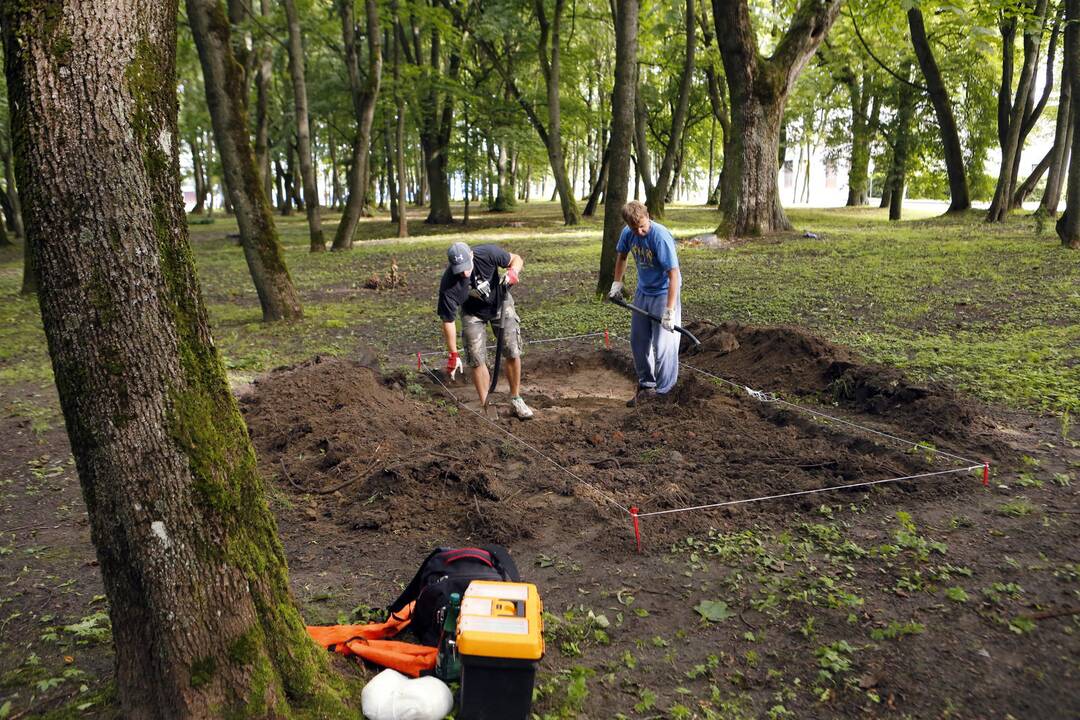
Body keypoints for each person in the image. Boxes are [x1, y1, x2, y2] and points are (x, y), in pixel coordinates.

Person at [438, 242, 534, 419]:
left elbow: (516, 259)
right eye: (459, 269)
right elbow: (448, 320)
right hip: (472, 313)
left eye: (466, 266)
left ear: (472, 256)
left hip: (501, 302)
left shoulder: (488, 253)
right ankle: (485, 405)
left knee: (512, 350)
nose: (464, 273)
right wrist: (453, 354)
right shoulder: (449, 284)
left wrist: (513, 272)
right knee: (476, 357)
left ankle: (516, 398)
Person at [607, 201, 682, 406]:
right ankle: (647, 387)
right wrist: (617, 283)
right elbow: (622, 256)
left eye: (642, 226)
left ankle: (665, 393)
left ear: (647, 216)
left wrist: (669, 310)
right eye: (634, 228)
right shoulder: (627, 233)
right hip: (643, 291)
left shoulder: (660, 236)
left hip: (664, 293)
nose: (639, 232)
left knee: (663, 345)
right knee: (638, 341)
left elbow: (673, 275)